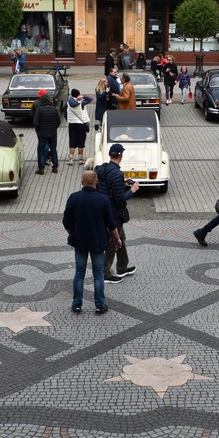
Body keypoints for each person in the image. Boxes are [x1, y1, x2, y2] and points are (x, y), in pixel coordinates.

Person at [62, 170, 121, 316]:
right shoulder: (103, 199)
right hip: (98, 242)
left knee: (79, 273)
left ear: (82, 182)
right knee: (98, 273)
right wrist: (117, 238)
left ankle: (77, 305)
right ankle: (100, 305)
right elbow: (110, 223)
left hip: (80, 241)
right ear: (96, 182)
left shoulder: (74, 198)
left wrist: (71, 232)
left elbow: (66, 220)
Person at [95, 144, 139, 283]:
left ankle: (122, 267)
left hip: (103, 209)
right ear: (121, 155)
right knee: (113, 242)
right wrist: (132, 190)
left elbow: (107, 186)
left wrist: (121, 183)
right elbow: (119, 198)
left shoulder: (101, 169)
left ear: (110, 155)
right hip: (114, 213)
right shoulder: (117, 173)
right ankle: (105, 273)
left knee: (121, 238)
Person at [33, 88, 61, 173]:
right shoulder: (54, 109)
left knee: (41, 151)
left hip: (42, 133)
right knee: (53, 150)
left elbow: (35, 122)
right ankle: (55, 167)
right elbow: (59, 122)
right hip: (53, 133)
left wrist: (38, 129)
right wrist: (54, 128)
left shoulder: (40, 110)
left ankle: (41, 168)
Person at [66, 89, 92, 165]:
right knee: (81, 142)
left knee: (72, 141)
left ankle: (71, 159)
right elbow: (90, 99)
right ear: (78, 94)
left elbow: (65, 113)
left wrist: (69, 119)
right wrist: (83, 96)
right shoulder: (82, 103)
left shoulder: (68, 103)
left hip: (72, 124)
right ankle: (80, 159)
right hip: (81, 124)